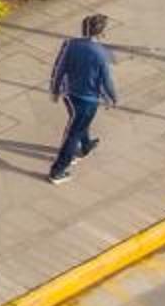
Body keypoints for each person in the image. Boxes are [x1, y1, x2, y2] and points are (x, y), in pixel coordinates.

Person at [46, 14, 118, 182]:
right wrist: (113, 98)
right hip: (88, 100)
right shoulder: (101, 54)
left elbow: (60, 68)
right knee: (74, 133)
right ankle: (58, 171)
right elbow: (106, 80)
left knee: (78, 121)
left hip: (69, 95)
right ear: (101, 33)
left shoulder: (71, 44)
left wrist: (55, 90)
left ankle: (86, 146)